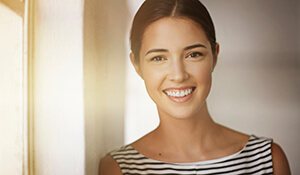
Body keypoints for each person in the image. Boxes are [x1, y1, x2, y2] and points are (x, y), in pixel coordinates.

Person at [99, 0, 291, 174]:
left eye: (193, 54)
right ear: (137, 65)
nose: (179, 75)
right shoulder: (118, 168)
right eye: (159, 58)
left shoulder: (267, 160)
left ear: (214, 56)